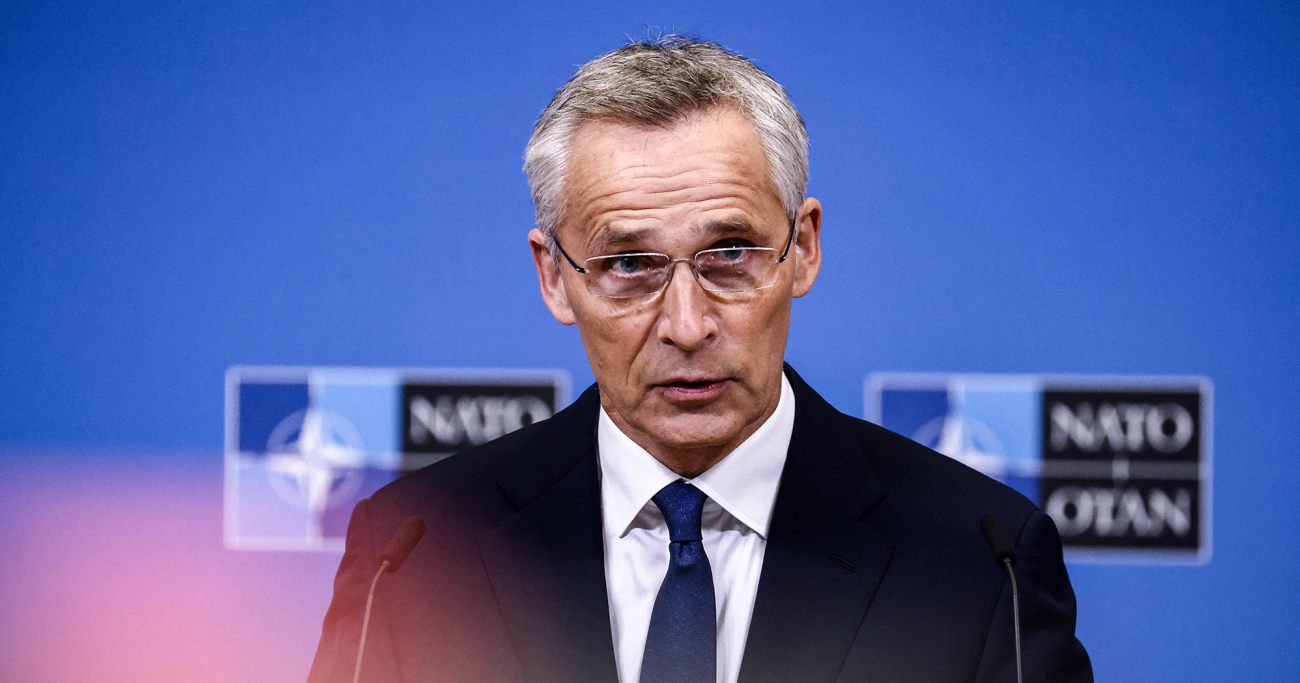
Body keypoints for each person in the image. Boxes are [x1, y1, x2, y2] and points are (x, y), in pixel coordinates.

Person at [308, 37, 1092, 682]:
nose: (686, 325)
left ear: (802, 248)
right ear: (553, 276)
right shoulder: (414, 554)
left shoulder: (978, 562)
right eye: (628, 264)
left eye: (730, 253)